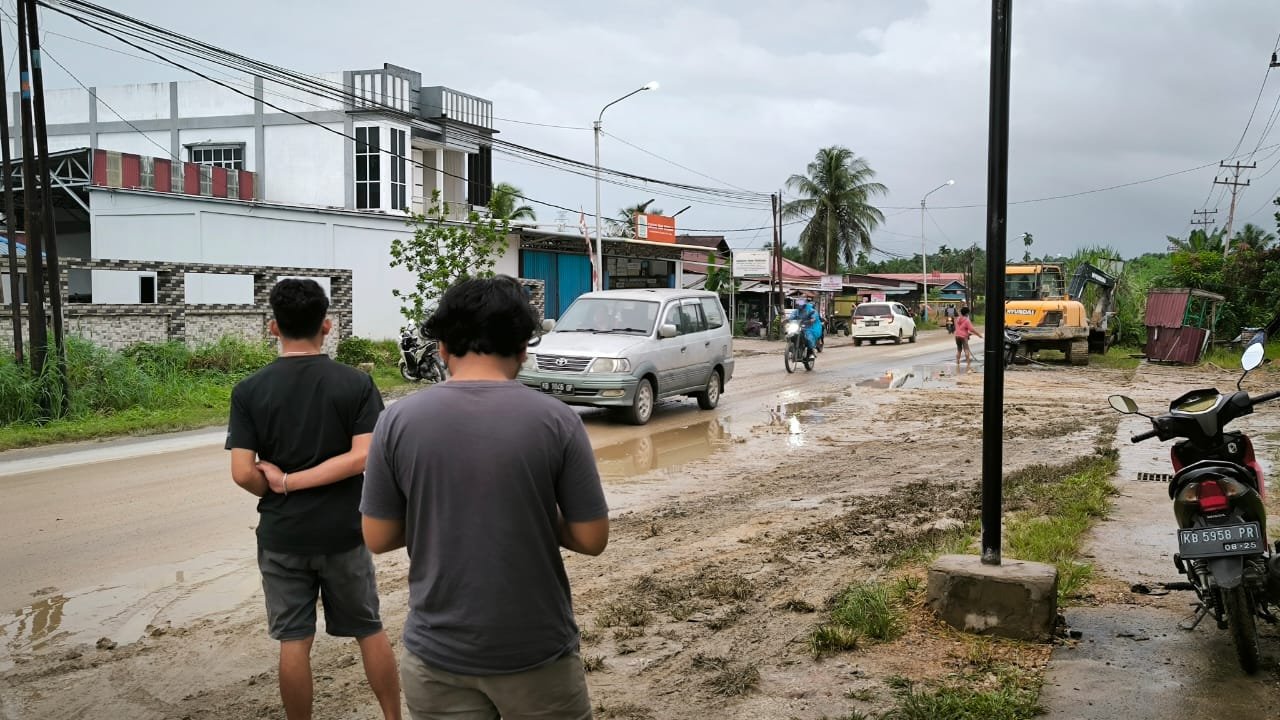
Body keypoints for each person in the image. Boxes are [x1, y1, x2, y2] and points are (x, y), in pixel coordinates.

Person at [361, 276, 609, 720]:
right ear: (522, 350)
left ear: (441, 348)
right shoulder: (557, 420)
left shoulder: (396, 421)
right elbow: (591, 538)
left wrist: (437, 513)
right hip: (536, 652)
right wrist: (530, 512)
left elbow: (377, 536)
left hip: (437, 655)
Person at [227, 278, 402, 720]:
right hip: (345, 531)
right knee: (369, 629)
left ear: (273, 328)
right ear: (327, 325)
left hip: (284, 536)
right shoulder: (356, 383)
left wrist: (282, 483)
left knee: (294, 641)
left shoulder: (249, 391)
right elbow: (363, 457)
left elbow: (243, 472)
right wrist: (294, 481)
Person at [954, 305, 983, 373]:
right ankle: (968, 364)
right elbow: (971, 329)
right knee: (966, 349)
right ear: (967, 313)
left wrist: (968, 333)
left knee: (959, 349)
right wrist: (978, 334)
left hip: (957, 336)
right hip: (964, 337)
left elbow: (960, 329)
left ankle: (957, 362)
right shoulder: (967, 320)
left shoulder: (957, 319)